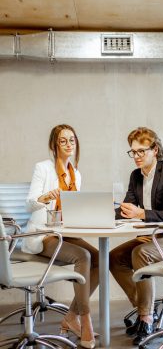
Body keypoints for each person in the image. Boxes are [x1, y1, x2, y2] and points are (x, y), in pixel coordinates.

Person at [109, 127, 163, 345]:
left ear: (155, 150)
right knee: (114, 258)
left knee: (141, 254)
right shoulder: (135, 176)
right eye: (133, 152)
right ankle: (144, 307)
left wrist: (142, 214)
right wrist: (102, 214)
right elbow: (127, 208)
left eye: (141, 151)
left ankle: (146, 317)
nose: (137, 157)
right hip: (153, 235)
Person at [22, 124, 98, 349]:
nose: (68, 144)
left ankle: (71, 317)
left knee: (101, 258)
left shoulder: (77, 174)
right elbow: (29, 204)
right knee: (83, 257)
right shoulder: (43, 168)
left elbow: (73, 209)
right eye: (63, 140)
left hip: (66, 232)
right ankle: (85, 319)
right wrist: (45, 197)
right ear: (54, 145)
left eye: (72, 140)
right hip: (43, 234)